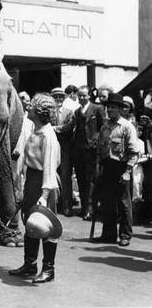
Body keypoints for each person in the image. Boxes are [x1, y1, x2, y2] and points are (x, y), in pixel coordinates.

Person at [8, 93, 61, 283]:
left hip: (44, 183)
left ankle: (49, 269)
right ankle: (30, 264)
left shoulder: (48, 136)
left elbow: (49, 166)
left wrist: (45, 195)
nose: (27, 108)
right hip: (32, 181)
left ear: (39, 112)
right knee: (30, 222)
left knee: (46, 225)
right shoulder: (35, 130)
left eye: (30, 106)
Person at [94, 93, 139, 247]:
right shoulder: (104, 127)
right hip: (107, 168)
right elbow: (100, 150)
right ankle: (108, 234)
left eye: (113, 107)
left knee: (124, 204)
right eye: (108, 107)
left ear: (120, 109)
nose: (110, 110)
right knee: (107, 203)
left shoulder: (127, 127)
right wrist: (98, 167)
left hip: (122, 168)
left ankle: (125, 235)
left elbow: (134, 152)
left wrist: (127, 171)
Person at [72, 85, 106, 221]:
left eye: (84, 95)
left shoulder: (97, 109)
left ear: (89, 96)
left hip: (91, 150)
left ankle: (90, 210)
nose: (81, 97)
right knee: (80, 179)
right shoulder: (76, 111)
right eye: (79, 95)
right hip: (78, 150)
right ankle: (84, 207)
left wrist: (96, 141)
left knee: (90, 180)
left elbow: (103, 127)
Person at [50, 87, 75, 216]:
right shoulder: (48, 112)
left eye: (61, 97)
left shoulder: (69, 112)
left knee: (65, 177)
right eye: (56, 97)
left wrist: (54, 128)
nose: (58, 99)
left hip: (65, 149)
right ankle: (55, 205)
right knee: (52, 176)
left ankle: (67, 207)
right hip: (51, 148)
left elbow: (69, 126)